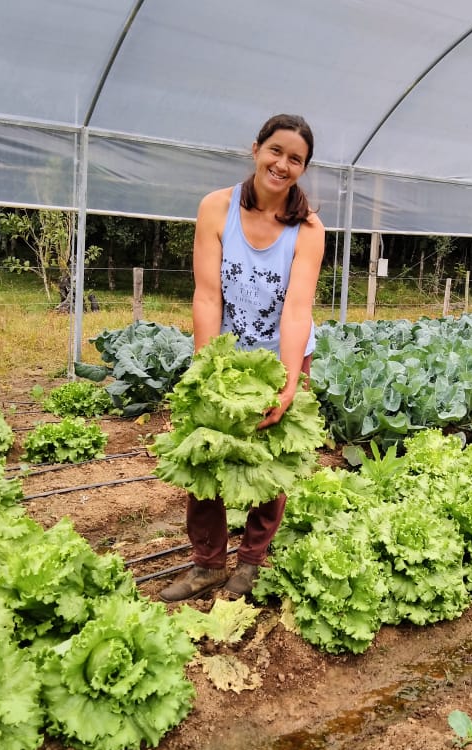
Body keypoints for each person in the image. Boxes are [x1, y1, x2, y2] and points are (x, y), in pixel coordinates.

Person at [159, 114, 325, 602]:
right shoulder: (216, 208)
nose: (282, 164)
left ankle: (251, 563)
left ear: (303, 168)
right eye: (276, 151)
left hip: (280, 355)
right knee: (205, 457)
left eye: (295, 159)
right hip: (226, 355)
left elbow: (297, 311)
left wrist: (290, 382)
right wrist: (208, 370)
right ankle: (207, 564)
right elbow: (208, 296)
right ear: (256, 149)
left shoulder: (308, 229)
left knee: (273, 462)